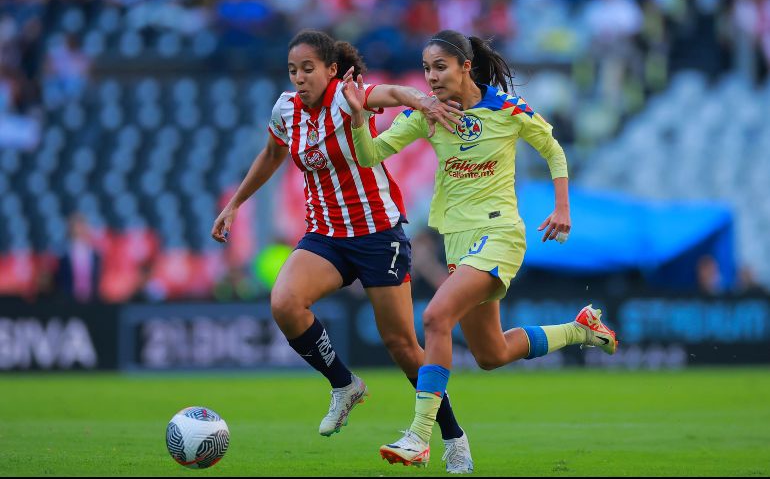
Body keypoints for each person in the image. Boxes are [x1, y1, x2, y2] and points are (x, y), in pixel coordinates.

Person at [342, 29, 619, 468]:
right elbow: (371, 155)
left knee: (434, 316)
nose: (431, 78)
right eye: (427, 68)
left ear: (465, 67)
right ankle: (581, 329)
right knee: (491, 354)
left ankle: (418, 436)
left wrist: (561, 207)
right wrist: (359, 118)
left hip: (501, 234)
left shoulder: (506, 108)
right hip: (458, 241)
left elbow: (554, 150)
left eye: (440, 67)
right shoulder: (426, 115)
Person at [211, 30, 474, 473]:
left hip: (377, 233)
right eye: (293, 70)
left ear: (331, 69)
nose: (299, 78)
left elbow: (391, 92)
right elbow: (273, 155)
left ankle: (453, 438)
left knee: (402, 344)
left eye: (308, 69)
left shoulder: (348, 97)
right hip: (326, 235)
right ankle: (344, 384)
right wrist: (235, 204)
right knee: (285, 303)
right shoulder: (285, 110)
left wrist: (421, 101)